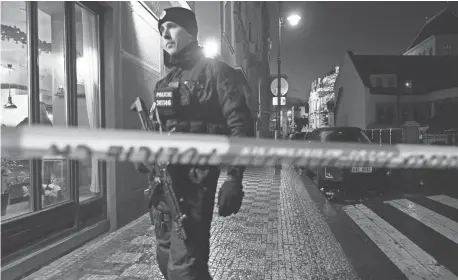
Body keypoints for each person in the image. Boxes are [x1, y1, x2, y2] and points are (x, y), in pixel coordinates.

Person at [135, 7, 253, 280]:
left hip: (193, 184)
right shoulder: (165, 82)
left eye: (172, 26)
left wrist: (234, 178)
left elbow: (240, 126)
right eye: (161, 29)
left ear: (191, 32)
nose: (165, 34)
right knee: (165, 257)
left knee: (185, 266)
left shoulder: (216, 72)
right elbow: (157, 130)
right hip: (162, 184)